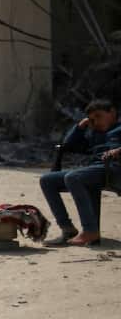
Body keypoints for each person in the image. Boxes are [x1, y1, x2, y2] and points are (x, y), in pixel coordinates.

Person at [40, 99, 121, 246]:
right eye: (92, 119)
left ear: (112, 112)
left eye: (98, 116)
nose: (95, 121)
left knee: (74, 177)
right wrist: (80, 127)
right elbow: (68, 145)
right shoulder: (95, 134)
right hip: (95, 169)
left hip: (115, 168)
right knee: (47, 180)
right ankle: (67, 229)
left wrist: (118, 151)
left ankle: (89, 230)